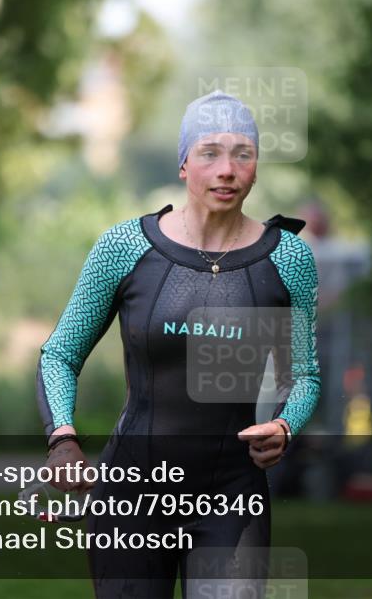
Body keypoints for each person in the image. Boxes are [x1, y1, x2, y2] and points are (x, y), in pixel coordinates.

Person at [35, 89, 321, 598]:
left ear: (256, 167)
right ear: (185, 163)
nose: (227, 169)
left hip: (232, 495)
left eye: (243, 153)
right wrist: (63, 440)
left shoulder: (289, 259)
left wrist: (283, 424)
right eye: (210, 152)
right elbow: (59, 353)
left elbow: (305, 374)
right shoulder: (125, 248)